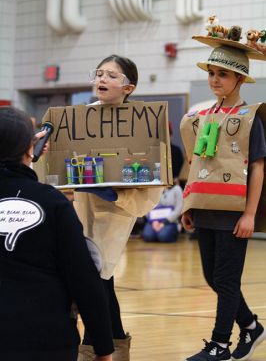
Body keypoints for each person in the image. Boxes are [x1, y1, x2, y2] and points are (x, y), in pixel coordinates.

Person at [0, 106, 114, 361]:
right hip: (45, 339)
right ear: (31, 149)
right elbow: (83, 277)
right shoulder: (52, 202)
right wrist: (103, 347)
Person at [180, 35, 266, 361]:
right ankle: (251, 326)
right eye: (211, 73)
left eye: (223, 74)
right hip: (205, 208)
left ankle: (219, 345)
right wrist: (189, 205)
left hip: (233, 213)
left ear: (239, 78)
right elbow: (198, 164)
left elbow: (258, 168)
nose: (215, 80)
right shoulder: (204, 117)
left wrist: (249, 215)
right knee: (211, 277)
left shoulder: (250, 117)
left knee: (226, 280)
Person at [74, 55, 163, 361]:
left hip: (115, 211)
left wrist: (117, 194)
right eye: (99, 73)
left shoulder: (144, 121)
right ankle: (114, 348)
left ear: (129, 87)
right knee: (99, 282)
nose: (102, 79)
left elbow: (153, 178)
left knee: (98, 278)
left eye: (112, 75)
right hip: (80, 206)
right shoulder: (81, 117)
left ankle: (93, 348)